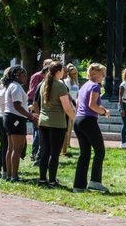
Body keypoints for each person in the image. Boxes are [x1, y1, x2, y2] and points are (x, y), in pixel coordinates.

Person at [73, 63, 110, 193]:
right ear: (94, 74)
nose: (103, 76)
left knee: (85, 153)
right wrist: (104, 112)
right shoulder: (95, 86)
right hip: (88, 120)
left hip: (78, 119)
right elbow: (92, 105)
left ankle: (79, 185)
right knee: (100, 151)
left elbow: (78, 103)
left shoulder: (84, 86)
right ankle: (95, 181)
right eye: (102, 73)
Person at [37, 62, 75, 188]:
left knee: (45, 152)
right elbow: (67, 107)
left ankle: (42, 179)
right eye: (63, 70)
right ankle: (52, 181)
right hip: (57, 123)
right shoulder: (60, 86)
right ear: (58, 71)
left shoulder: (43, 84)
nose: (64, 72)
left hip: (43, 122)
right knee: (54, 153)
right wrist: (74, 119)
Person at [3, 66, 38, 182]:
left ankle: (9, 175)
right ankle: (14, 176)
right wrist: (31, 116)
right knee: (17, 148)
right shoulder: (16, 87)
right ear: (17, 75)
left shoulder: (12, 86)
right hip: (16, 119)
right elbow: (17, 105)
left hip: (10, 118)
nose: (26, 78)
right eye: (23, 75)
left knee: (11, 148)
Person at [28, 59, 52, 163]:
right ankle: (35, 154)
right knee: (37, 131)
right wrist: (35, 109)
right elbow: (33, 93)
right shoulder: (38, 76)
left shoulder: (49, 79)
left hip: (42, 105)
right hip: (36, 105)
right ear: (45, 66)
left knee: (40, 132)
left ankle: (39, 154)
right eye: (49, 66)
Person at [62, 64, 80, 157]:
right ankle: (66, 144)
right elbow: (67, 94)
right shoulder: (67, 81)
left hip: (74, 104)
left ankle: (68, 143)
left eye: (75, 73)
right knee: (68, 125)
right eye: (73, 73)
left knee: (71, 125)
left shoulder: (76, 81)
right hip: (69, 104)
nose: (74, 75)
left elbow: (77, 94)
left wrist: (77, 103)